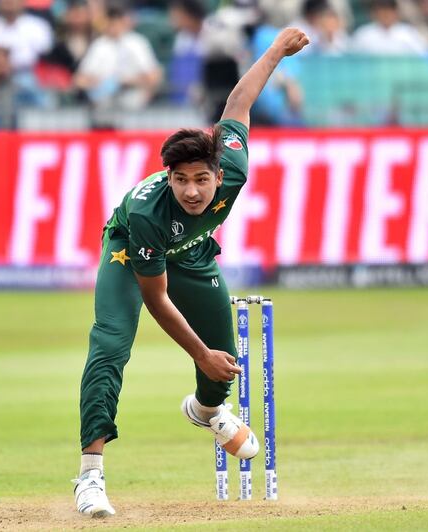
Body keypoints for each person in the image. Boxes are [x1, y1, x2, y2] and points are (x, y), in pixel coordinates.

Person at [72, 27, 309, 518]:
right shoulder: (148, 214)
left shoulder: (234, 165)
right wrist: (199, 354)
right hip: (135, 250)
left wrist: (275, 51)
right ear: (168, 177)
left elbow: (238, 103)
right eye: (180, 180)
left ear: (219, 175)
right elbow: (157, 300)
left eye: (201, 179)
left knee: (223, 353)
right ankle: (90, 476)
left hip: (195, 251)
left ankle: (205, 413)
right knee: (112, 342)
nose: (193, 191)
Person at [74, 4, 162, 111]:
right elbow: (79, 80)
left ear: (123, 21)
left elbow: (154, 77)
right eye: (110, 21)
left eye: (116, 21)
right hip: (103, 103)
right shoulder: (99, 45)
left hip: (132, 101)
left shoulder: (137, 43)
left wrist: (127, 81)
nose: (113, 26)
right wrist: (98, 83)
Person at [0, 0, 53, 73]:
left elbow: (46, 53)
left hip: (30, 72)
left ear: (22, 2)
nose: (8, 3)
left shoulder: (38, 25)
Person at [351, 0, 428, 55]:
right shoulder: (363, 34)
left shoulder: (408, 33)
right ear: (374, 13)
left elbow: (423, 54)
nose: (386, 15)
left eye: (389, 12)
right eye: (382, 12)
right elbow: (352, 59)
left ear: (396, 13)